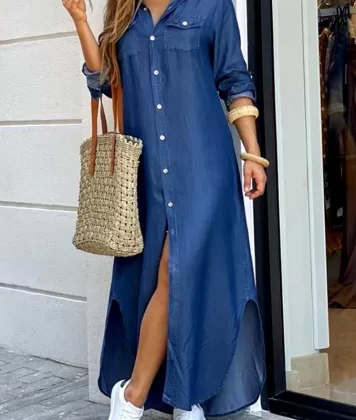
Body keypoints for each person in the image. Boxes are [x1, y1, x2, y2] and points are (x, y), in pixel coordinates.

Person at [63, 0, 267, 418]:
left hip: (205, 166)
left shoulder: (212, 6)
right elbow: (105, 81)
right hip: (149, 174)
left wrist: (252, 153)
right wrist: (80, 20)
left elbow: (234, 79)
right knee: (170, 278)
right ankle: (184, 395)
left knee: (181, 272)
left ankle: (133, 396)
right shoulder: (125, 15)